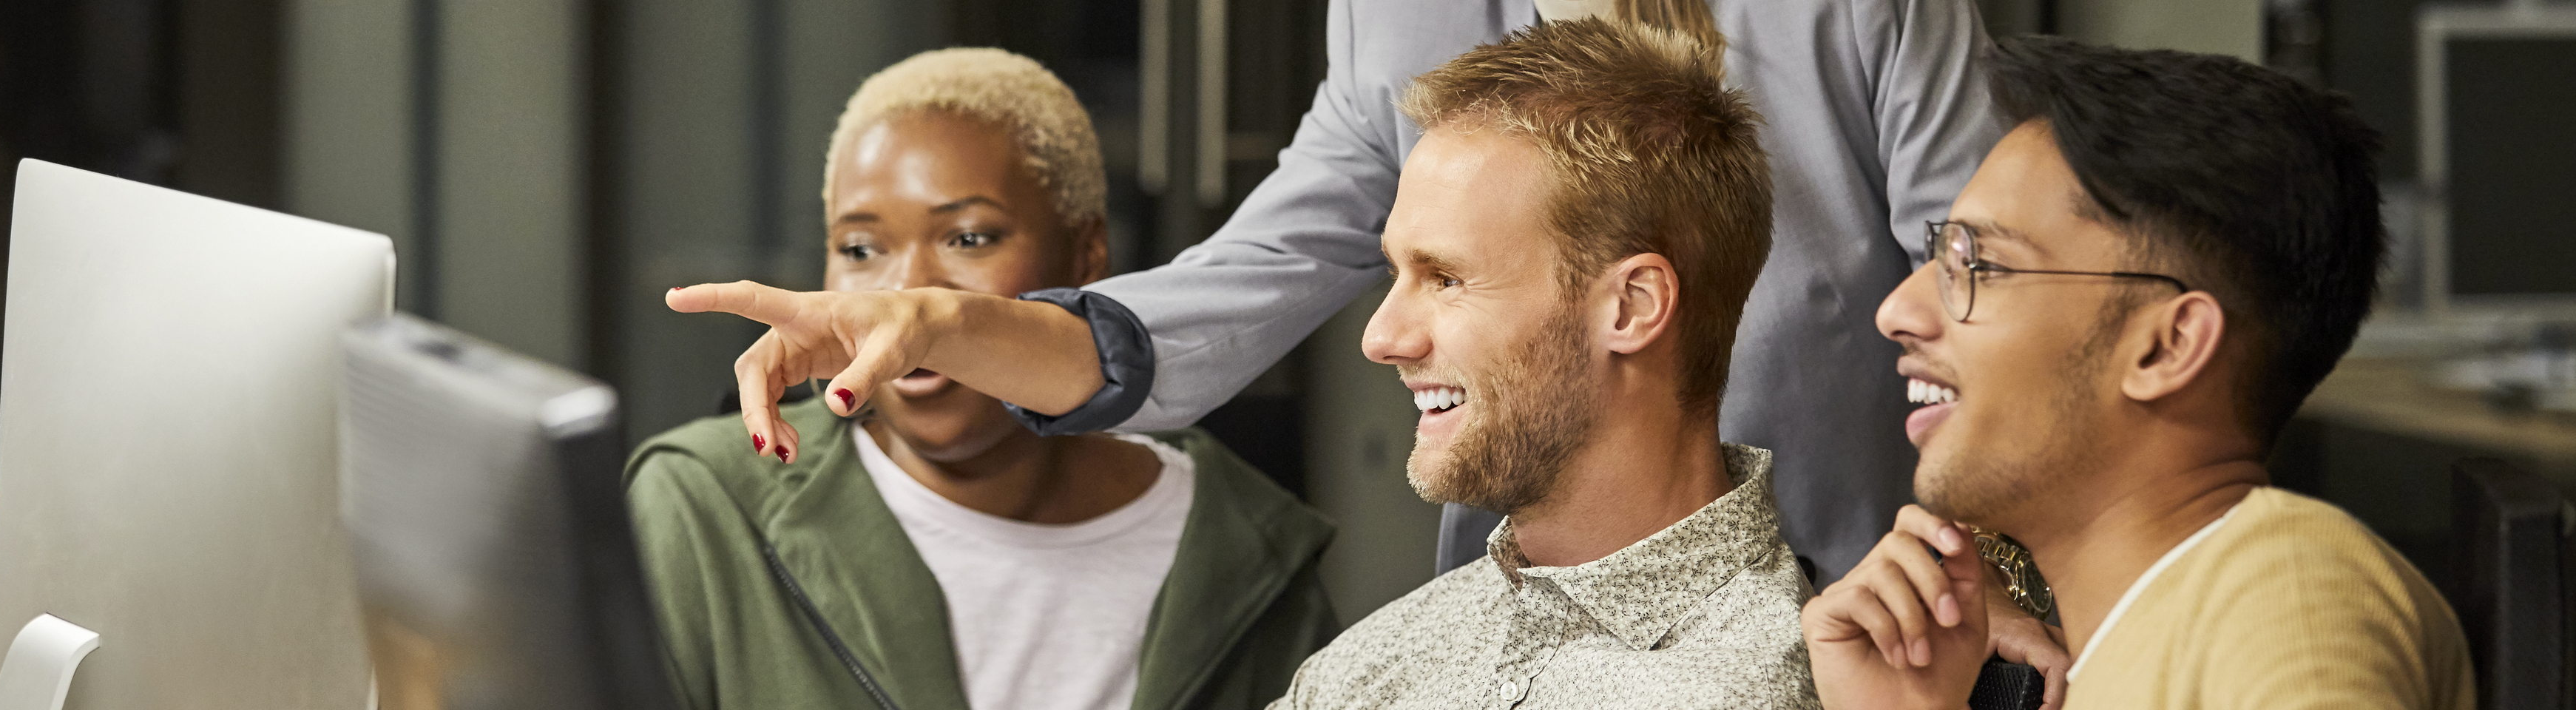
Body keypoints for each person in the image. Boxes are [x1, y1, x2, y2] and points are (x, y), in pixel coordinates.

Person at [679, 0, 2009, 592]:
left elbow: (1999, 293)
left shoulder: (1862, 11)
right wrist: (940, 323)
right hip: (1532, 603)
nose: (1390, 333)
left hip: (1854, 595)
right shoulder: (1400, 17)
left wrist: (1986, 559)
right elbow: (1241, 287)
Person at [625, 49, 1336, 710]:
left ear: (1087, 257)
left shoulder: (1251, 552)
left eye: (968, 238)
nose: (901, 298)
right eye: (860, 248)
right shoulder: (700, 509)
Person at [1799, 36, 2472, 710]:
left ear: (2167, 348)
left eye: (1984, 266)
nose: (1897, 310)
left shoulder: (2282, 590)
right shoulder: (2144, 634)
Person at [1258, 19, 1809, 708]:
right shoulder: (1362, 667)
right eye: (1396, 274)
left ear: (1632, 307)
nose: (1381, 337)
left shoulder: (1738, 689)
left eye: (1447, 278)